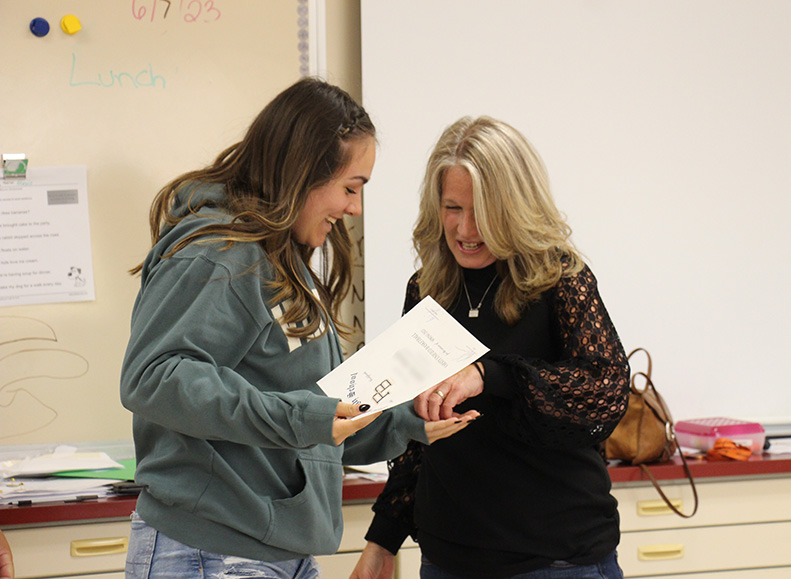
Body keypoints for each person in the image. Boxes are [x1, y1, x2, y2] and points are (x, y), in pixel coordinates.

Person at [119, 78, 477, 579]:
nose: (354, 208)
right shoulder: (219, 255)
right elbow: (154, 378)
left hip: (275, 552)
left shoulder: (281, 260)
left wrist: (409, 422)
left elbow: (308, 414)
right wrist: (302, 417)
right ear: (303, 171)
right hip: (213, 551)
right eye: (350, 188)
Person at [351, 116, 631, 579]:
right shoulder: (427, 290)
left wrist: (488, 376)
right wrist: (382, 541)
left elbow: (605, 391)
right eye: (452, 208)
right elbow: (418, 436)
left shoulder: (560, 278)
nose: (465, 228)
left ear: (517, 206)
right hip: (447, 559)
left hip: (557, 559)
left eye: (484, 210)